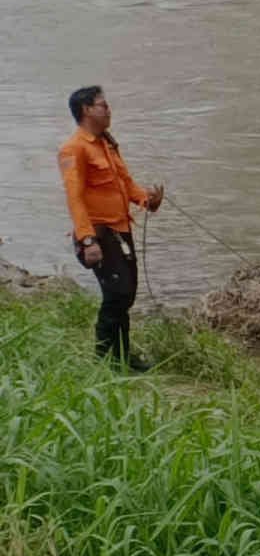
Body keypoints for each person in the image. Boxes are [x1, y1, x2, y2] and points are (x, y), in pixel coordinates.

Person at [57, 86, 165, 370]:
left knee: (126, 294)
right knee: (117, 294)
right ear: (86, 110)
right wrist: (88, 240)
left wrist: (147, 200)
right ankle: (104, 361)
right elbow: (74, 197)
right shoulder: (74, 148)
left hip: (121, 230)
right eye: (103, 105)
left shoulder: (106, 143)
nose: (109, 110)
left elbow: (125, 183)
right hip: (99, 234)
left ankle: (122, 356)